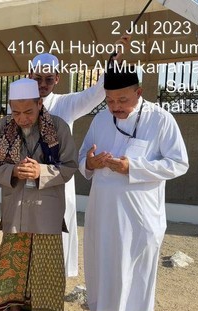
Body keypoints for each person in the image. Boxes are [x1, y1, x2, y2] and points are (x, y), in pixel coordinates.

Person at [77, 64, 188, 311]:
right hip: (103, 210)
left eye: (122, 100)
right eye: (110, 101)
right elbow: (83, 156)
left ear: (139, 93)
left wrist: (134, 168)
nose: (115, 107)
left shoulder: (161, 119)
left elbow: (178, 163)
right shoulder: (101, 118)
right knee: (105, 264)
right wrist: (91, 163)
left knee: (137, 271)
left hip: (141, 216)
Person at [0, 78, 78, 311]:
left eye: (28, 111)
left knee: (48, 265)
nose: (22, 118)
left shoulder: (58, 127)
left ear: (40, 103)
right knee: (14, 263)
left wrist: (42, 172)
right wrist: (12, 171)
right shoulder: (2, 128)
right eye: (15, 112)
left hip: (46, 208)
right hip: (15, 205)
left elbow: (70, 166)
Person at [29, 35, 130, 278]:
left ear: (57, 79)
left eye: (49, 79)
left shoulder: (67, 104)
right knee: (28, 240)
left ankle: (53, 291)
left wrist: (112, 63)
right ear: (29, 75)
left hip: (56, 183)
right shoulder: (20, 104)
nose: (43, 84)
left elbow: (96, 93)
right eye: (38, 78)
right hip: (28, 184)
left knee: (58, 237)